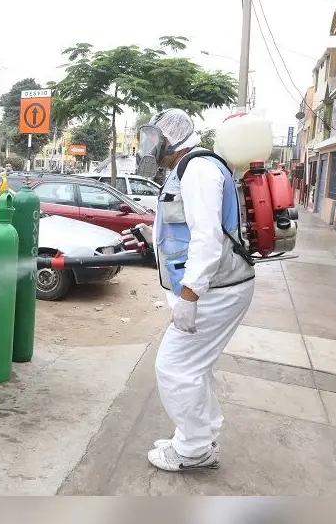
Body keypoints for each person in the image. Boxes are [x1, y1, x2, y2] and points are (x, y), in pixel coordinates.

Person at [122, 109, 256, 472]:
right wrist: (150, 238)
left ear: (173, 139)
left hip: (217, 290)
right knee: (194, 369)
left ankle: (194, 450)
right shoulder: (186, 170)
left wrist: (190, 297)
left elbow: (208, 238)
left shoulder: (197, 170)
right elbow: (184, 229)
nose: (147, 148)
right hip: (218, 287)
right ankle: (198, 436)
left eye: (153, 140)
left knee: (174, 367)